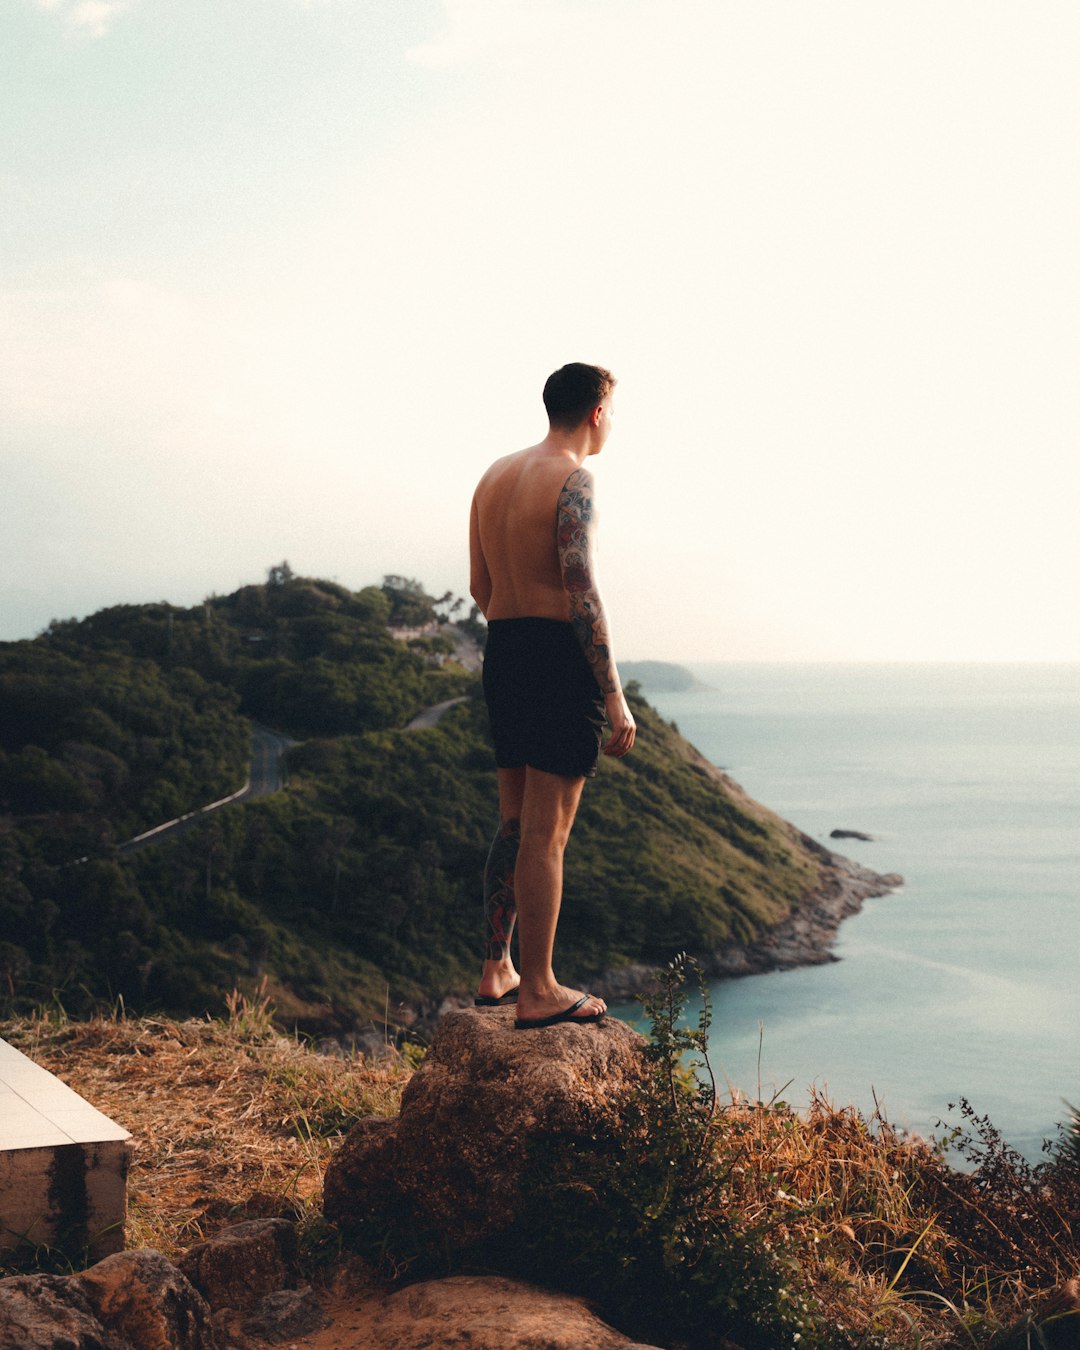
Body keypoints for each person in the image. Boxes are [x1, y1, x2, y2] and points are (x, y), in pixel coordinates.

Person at [468, 362, 636, 1029]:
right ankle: (538, 989)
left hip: (503, 649)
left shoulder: (493, 478)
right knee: (548, 833)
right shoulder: (574, 480)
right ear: (596, 412)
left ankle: (496, 968)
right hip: (555, 656)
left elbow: (480, 587)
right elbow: (581, 588)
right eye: (614, 411)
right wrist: (614, 696)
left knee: (513, 823)